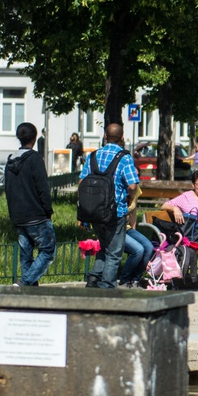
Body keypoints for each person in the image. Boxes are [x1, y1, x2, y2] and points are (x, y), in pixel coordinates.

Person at [81, 123, 139, 289]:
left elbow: (81, 182)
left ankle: (93, 278)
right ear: (121, 138)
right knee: (114, 252)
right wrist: (130, 198)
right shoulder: (124, 158)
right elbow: (133, 186)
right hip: (115, 212)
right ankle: (107, 286)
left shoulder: (93, 156)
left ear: (105, 136)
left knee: (105, 245)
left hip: (93, 211)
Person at [4, 121, 56, 286]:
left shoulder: (10, 160)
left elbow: (8, 189)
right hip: (37, 215)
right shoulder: (35, 159)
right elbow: (43, 188)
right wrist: (48, 211)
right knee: (48, 251)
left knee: (26, 256)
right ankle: (24, 283)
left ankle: (27, 294)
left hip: (19, 216)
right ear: (34, 138)